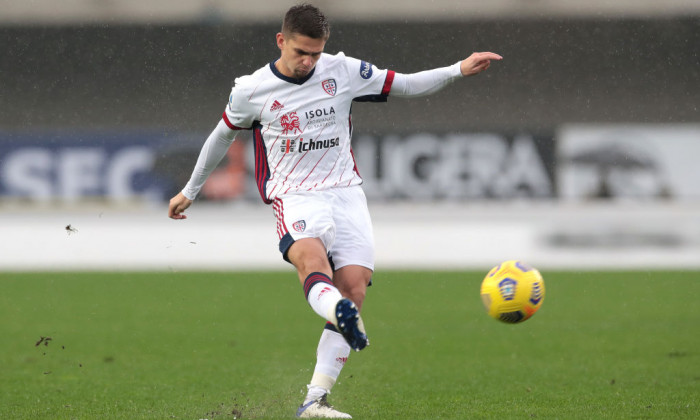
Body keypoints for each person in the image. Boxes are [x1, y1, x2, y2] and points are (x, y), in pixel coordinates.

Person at [168, 4, 501, 418]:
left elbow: (407, 85)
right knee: (312, 261)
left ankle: (314, 401)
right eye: (300, 52)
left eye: (316, 53)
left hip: (345, 192)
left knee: (355, 287)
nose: (309, 62)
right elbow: (221, 137)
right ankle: (336, 310)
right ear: (281, 41)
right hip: (294, 194)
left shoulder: (342, 71)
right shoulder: (251, 90)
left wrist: (457, 69)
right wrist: (191, 190)